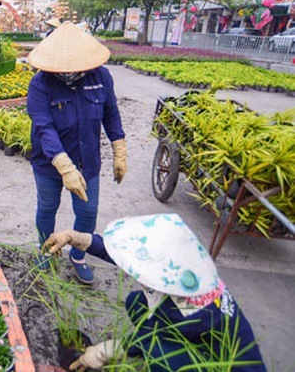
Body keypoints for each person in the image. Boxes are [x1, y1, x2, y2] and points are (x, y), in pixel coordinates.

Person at [43, 213, 266, 372]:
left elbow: (150, 337)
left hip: (221, 363)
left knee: (159, 352)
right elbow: (124, 255)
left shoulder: (191, 309)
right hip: (193, 333)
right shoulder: (182, 271)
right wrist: (79, 239)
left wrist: (108, 351)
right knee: (137, 301)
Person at [26, 21, 127, 280]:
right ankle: (46, 250)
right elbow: (43, 127)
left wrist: (120, 150)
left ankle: (78, 255)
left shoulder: (100, 77)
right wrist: (63, 166)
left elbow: (111, 115)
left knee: (88, 211)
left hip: (87, 161)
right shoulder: (40, 84)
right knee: (47, 207)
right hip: (49, 163)